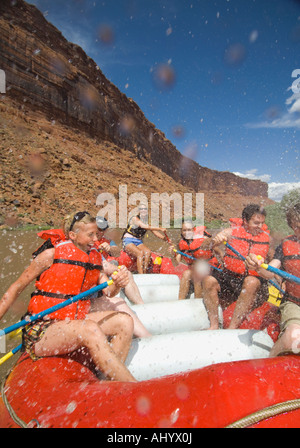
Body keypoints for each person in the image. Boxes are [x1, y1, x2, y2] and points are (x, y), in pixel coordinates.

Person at [0, 212, 136, 382]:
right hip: (44, 327)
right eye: (90, 234)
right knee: (89, 329)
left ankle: (108, 382)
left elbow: (109, 293)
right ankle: (132, 386)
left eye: (96, 234)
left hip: (76, 320)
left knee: (125, 321)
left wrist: (117, 283)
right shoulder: (50, 255)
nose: (96, 239)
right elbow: (15, 289)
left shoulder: (95, 259)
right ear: (73, 235)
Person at [202, 204, 271, 330]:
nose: (260, 227)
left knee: (251, 281)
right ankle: (214, 325)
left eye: (262, 223)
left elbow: (273, 263)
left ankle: (232, 328)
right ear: (245, 220)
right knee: (208, 281)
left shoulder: (267, 238)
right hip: (230, 278)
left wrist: (280, 280)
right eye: (256, 223)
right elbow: (205, 246)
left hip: (254, 283)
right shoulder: (230, 232)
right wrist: (214, 241)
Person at [246, 202, 300, 357]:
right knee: (293, 337)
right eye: (297, 227)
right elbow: (270, 271)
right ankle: (269, 363)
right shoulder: (286, 244)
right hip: (295, 304)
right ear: (291, 226)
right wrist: (257, 266)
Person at [94, 215, 152, 338]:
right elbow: (104, 266)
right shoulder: (88, 242)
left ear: (104, 231)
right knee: (121, 272)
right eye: (97, 228)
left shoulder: (108, 241)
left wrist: (110, 248)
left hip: (108, 275)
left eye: (101, 230)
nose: (99, 232)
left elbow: (116, 251)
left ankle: (141, 306)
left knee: (126, 273)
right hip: (102, 277)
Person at [169, 220, 222, 301]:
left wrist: (224, 266)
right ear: (181, 231)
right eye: (184, 230)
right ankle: (180, 301)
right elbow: (176, 263)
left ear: (193, 229)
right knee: (186, 273)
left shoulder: (204, 239)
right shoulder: (181, 244)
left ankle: (198, 302)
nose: (187, 232)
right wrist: (173, 255)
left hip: (212, 271)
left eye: (189, 230)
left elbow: (219, 252)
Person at [122, 204, 167, 274]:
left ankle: (145, 273)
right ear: (139, 211)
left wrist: (166, 239)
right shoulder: (135, 218)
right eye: (141, 209)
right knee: (140, 253)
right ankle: (141, 275)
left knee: (148, 252)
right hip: (128, 240)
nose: (143, 210)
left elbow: (155, 232)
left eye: (145, 209)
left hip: (138, 241)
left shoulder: (146, 221)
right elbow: (144, 226)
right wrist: (160, 228)